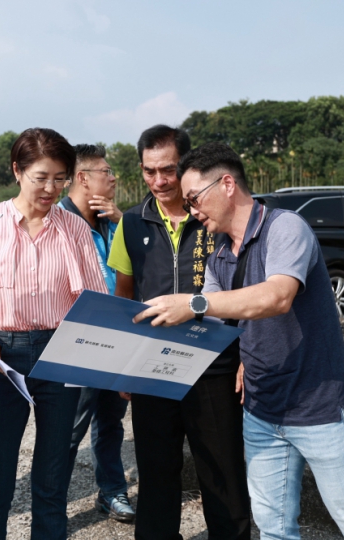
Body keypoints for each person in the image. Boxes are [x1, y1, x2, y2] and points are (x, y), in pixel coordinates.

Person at [134, 142, 344, 540]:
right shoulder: (220, 253)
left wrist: (192, 302)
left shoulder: (285, 228)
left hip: (319, 409)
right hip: (261, 411)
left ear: (226, 185)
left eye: (194, 199)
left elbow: (277, 297)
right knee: (273, 529)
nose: (191, 211)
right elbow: (216, 319)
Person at [0, 128, 108, 540]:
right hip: (2, 355)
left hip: (62, 353)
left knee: (52, 483)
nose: (51, 188)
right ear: (17, 171)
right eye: (41, 177)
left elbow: (96, 301)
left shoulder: (73, 230)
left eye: (60, 178)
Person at [107, 126, 250, 539]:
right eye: (149, 172)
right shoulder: (132, 222)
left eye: (167, 170)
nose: (159, 181)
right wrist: (124, 364)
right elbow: (125, 295)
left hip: (215, 364)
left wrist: (246, 356)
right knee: (156, 474)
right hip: (153, 368)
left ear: (186, 165)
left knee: (222, 472)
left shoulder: (214, 215)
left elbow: (247, 290)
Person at [59, 144, 134, 523]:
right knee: (69, 429)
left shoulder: (112, 222)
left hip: (118, 336)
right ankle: (52, 504)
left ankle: (112, 493)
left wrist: (122, 221)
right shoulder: (58, 223)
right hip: (80, 340)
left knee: (110, 424)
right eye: (106, 171)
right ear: (83, 178)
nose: (114, 177)